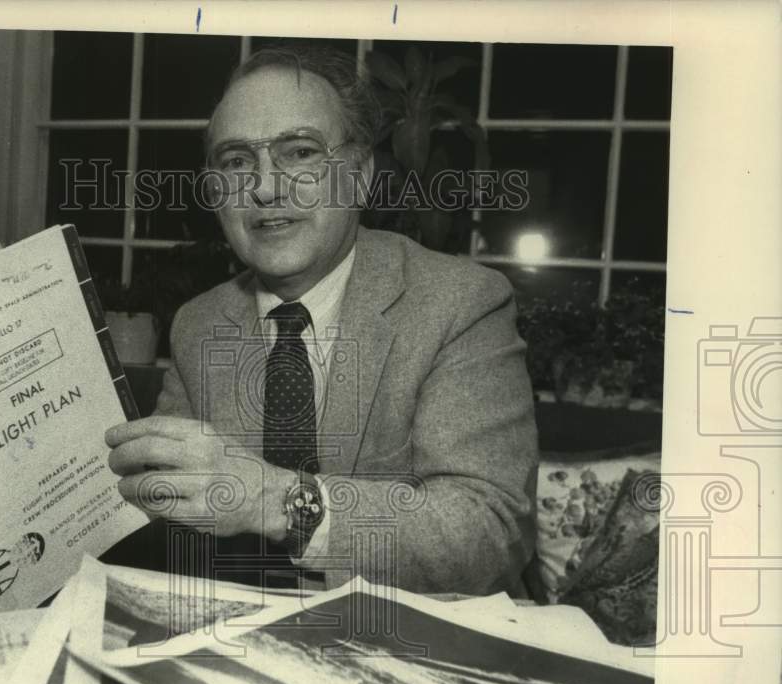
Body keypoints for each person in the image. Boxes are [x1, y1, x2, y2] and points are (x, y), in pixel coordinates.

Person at [105, 45, 538, 596]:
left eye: (300, 152)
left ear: (359, 176)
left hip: (411, 648)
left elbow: (490, 534)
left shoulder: (460, 302)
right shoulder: (199, 324)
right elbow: (170, 526)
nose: (264, 188)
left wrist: (277, 500)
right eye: (237, 161)